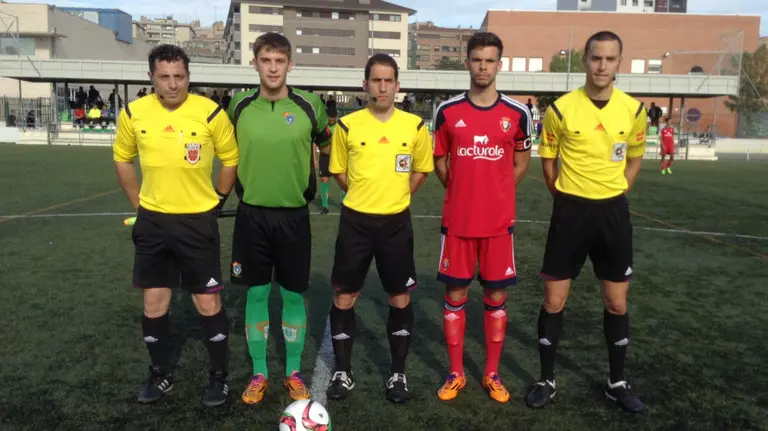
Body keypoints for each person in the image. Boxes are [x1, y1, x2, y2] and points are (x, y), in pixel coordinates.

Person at [525, 31, 646, 413]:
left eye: (610, 59)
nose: (602, 65)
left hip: (612, 214)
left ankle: (617, 382)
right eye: (596, 58)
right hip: (571, 212)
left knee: (616, 302)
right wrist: (566, 197)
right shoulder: (561, 110)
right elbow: (548, 161)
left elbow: (635, 158)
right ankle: (546, 379)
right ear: (585, 60)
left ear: (619, 63)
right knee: (554, 300)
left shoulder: (634, 110)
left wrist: (616, 192)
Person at [112, 44, 238, 408]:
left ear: (189, 77)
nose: (172, 84)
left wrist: (217, 199)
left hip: (198, 222)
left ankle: (219, 379)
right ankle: (160, 374)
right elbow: (122, 159)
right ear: (151, 77)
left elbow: (231, 159)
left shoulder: (211, 113)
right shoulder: (134, 113)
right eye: (164, 77)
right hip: (153, 224)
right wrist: (140, 205)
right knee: (154, 302)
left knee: (207, 301)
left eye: (179, 76)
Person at [227, 32, 332, 405]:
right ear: (254, 62)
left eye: (280, 61)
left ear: (290, 64)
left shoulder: (309, 105)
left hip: (293, 217)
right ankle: (259, 373)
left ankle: (291, 373)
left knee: (291, 295)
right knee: (256, 294)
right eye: (266, 60)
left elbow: (326, 141)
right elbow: (226, 152)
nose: (273, 68)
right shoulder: (238, 105)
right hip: (252, 216)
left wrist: (324, 178)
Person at [326, 53, 434, 404]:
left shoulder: (415, 127)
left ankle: (397, 372)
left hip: (395, 223)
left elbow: (421, 171)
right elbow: (340, 172)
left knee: (399, 296)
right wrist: (363, 195)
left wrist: (396, 196)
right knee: (345, 295)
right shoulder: (347, 126)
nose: (382, 87)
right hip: (355, 221)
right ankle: (343, 371)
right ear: (365, 85)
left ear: (398, 86)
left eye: (389, 81)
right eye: (376, 80)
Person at [432, 32, 533, 404]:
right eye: (477, 60)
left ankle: (491, 373)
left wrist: (498, 190)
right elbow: (439, 160)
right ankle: (456, 373)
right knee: (455, 294)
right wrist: (460, 190)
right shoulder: (447, 111)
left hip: (497, 226)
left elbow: (521, 162)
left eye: (490, 61)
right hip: (458, 223)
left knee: (495, 295)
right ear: (467, 63)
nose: (483, 67)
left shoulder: (517, 114)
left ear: (499, 65)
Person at [315, 105, 342, 214]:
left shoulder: (340, 127)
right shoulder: (322, 127)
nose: (332, 119)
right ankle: (325, 206)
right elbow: (315, 142)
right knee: (324, 180)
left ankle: (344, 203)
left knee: (341, 180)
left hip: (337, 157)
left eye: (333, 117)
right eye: (330, 117)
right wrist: (315, 159)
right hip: (324, 157)